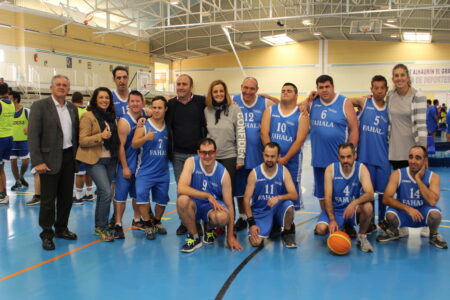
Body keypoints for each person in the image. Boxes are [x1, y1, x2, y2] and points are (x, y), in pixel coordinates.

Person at [28, 75, 79, 250]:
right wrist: (37, 161)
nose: (61, 87)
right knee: (48, 200)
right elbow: (33, 136)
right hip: (48, 160)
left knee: (66, 199)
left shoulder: (72, 108)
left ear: (68, 88)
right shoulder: (40, 106)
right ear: (51, 87)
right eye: (58, 84)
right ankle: (47, 234)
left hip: (68, 158)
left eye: (65, 85)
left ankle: (61, 228)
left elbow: (75, 135)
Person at [176, 138, 242, 253]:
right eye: (203, 152)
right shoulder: (191, 162)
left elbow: (230, 206)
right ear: (198, 153)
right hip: (194, 204)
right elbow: (181, 188)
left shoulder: (223, 173)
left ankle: (209, 227)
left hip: (212, 207)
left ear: (216, 153)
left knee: (222, 217)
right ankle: (194, 237)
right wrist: (206, 195)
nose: (207, 156)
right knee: (182, 200)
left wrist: (230, 236)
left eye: (210, 152)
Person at [376, 146, 448, 249]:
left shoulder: (434, 177)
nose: (413, 161)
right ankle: (394, 232)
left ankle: (433, 235)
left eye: (418, 158)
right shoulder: (398, 174)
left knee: (436, 215)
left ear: (425, 160)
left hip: (423, 213)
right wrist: (408, 208)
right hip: (405, 213)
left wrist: (418, 180)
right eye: (411, 157)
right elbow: (386, 199)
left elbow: (432, 201)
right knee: (390, 215)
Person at [308, 75, 359, 216]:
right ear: (317, 89)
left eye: (327, 87)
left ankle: (347, 221)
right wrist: (308, 98)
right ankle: (326, 217)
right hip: (319, 159)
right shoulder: (312, 103)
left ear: (333, 87)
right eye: (321, 87)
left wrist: (352, 153)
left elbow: (354, 128)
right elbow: (292, 107)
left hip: (340, 160)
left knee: (342, 192)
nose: (324, 90)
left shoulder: (344, 102)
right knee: (322, 193)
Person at [233, 77, 278, 231]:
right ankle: (243, 217)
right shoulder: (233, 100)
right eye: (245, 88)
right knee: (239, 190)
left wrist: (271, 97)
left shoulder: (265, 103)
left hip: (258, 155)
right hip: (239, 155)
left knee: (259, 190)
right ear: (241, 87)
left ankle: (260, 215)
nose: (248, 91)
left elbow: (284, 106)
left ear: (257, 90)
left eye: (252, 89)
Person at [76, 87, 119, 242]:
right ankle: (102, 226)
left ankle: (98, 225)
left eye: (107, 97)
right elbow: (82, 140)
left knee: (103, 193)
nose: (104, 100)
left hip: (111, 159)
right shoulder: (88, 116)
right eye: (101, 97)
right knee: (107, 192)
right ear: (95, 99)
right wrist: (101, 136)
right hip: (95, 160)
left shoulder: (112, 116)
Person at [314, 143, 375, 253]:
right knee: (321, 229)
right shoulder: (331, 169)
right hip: (336, 210)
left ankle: (362, 237)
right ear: (338, 157)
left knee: (368, 207)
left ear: (354, 155)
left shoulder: (361, 168)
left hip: (352, 210)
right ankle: (340, 228)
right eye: (342, 157)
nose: (345, 160)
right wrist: (332, 220)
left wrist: (354, 203)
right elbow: (327, 197)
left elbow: (370, 194)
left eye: (348, 156)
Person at [165, 74, 207, 235]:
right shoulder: (171, 104)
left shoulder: (200, 102)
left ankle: (200, 221)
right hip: (178, 155)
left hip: (198, 156)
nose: (181, 87)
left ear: (191, 86)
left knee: (197, 189)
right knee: (182, 191)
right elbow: (158, 116)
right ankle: (185, 222)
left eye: (184, 84)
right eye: (179, 84)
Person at [348, 75, 389, 233]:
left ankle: (383, 221)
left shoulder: (389, 107)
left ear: (386, 90)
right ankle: (369, 221)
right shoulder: (364, 102)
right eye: (376, 88)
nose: (379, 91)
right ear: (371, 89)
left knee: (384, 194)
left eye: (382, 88)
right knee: (368, 194)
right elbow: (344, 102)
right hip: (365, 158)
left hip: (383, 157)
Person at [261, 82, 309, 211]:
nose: (285, 92)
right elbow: (264, 133)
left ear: (296, 95)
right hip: (272, 159)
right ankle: (273, 217)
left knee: (291, 188)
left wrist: (285, 158)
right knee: (272, 187)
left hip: (292, 161)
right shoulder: (271, 110)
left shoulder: (302, 115)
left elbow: (300, 140)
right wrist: (273, 156)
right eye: (283, 91)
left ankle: (289, 223)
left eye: (289, 90)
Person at [243, 142, 298, 248]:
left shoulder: (283, 171)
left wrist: (278, 197)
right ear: (263, 154)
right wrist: (251, 223)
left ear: (278, 156)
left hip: (277, 209)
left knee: (289, 206)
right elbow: (246, 200)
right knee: (256, 242)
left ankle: (287, 232)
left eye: (272, 156)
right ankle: (273, 226)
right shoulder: (254, 173)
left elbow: (294, 195)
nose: (269, 159)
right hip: (261, 211)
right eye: (267, 155)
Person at [132, 96, 170, 240]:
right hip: (145, 171)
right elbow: (134, 144)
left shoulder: (168, 126)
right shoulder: (144, 125)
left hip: (163, 171)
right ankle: (147, 224)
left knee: (162, 200)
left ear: (165, 109)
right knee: (141, 197)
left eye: (159, 107)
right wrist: (145, 138)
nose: (156, 110)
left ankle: (157, 221)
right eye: (154, 107)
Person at [113, 90, 149, 239]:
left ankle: (136, 220)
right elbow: (120, 146)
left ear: (142, 103)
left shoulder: (145, 117)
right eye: (132, 101)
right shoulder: (124, 122)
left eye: (138, 101)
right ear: (128, 103)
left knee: (137, 196)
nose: (135, 104)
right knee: (120, 197)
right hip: (126, 164)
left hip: (141, 165)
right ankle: (118, 224)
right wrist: (125, 167)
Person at [204, 79, 246, 204]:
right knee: (212, 192)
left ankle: (229, 222)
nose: (218, 94)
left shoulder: (234, 109)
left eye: (221, 91)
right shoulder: (207, 110)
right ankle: (214, 221)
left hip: (229, 156)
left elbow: (240, 133)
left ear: (225, 92)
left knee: (227, 193)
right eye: (215, 91)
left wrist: (240, 157)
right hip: (211, 158)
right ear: (211, 94)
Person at [387, 64, 427, 170]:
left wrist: (423, 152)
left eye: (402, 75)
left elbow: (421, 125)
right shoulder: (390, 96)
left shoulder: (418, 95)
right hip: (395, 151)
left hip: (413, 151)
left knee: (415, 183)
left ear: (408, 77)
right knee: (399, 184)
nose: (399, 78)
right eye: (396, 75)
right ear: (393, 79)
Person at [71, 91, 94, 205]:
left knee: (79, 173)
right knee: (87, 172)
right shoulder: (88, 112)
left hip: (79, 146)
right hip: (89, 145)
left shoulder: (72, 111)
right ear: (82, 100)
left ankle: (78, 196)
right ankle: (89, 194)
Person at [9, 91, 30, 192]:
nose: (8, 100)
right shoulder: (7, 112)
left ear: (15, 99)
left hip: (24, 141)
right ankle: (17, 181)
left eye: (10, 98)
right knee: (13, 162)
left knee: (25, 162)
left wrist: (28, 126)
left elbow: (34, 122)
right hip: (11, 141)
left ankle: (21, 176)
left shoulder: (26, 111)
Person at [0, 82, 14, 205]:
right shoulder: (11, 104)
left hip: (1, 138)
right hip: (9, 138)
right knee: (1, 169)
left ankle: (1, 195)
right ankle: (3, 193)